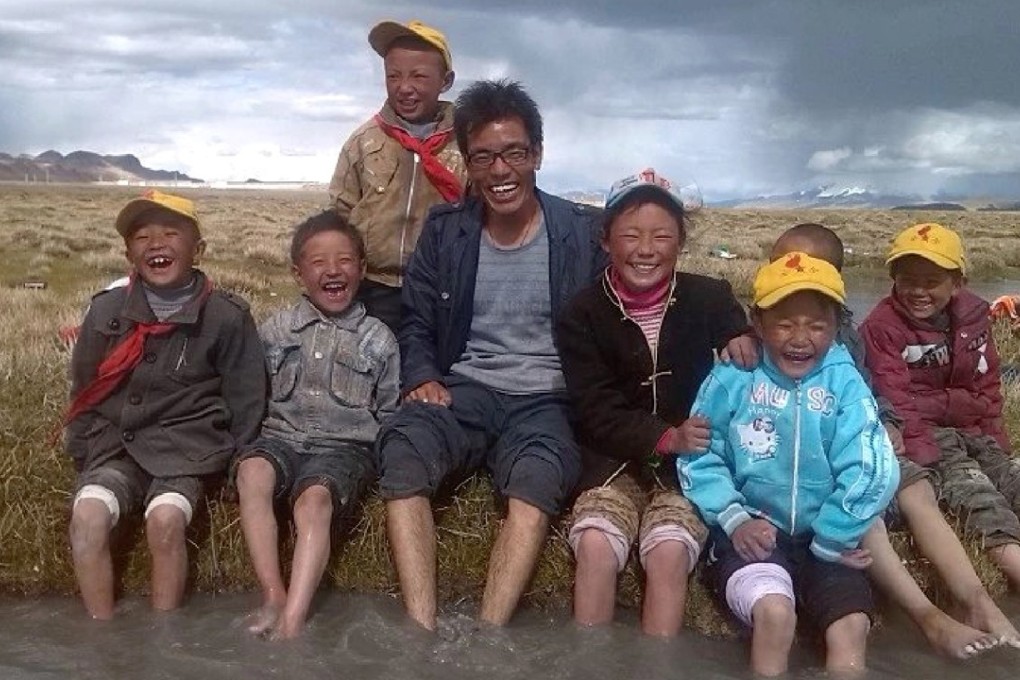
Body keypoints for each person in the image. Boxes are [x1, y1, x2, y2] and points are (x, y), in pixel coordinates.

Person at [376, 78, 606, 630]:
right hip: (466, 389)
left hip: (548, 398)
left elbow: (634, 301)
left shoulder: (580, 232)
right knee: (404, 447)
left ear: (537, 155)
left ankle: (488, 637)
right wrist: (425, 375)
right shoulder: (447, 230)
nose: (500, 171)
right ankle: (420, 632)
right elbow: (418, 318)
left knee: (537, 478)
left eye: (514, 153)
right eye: (483, 157)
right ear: (468, 164)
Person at [771, 223, 1011, 657]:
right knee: (872, 507)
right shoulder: (766, 336)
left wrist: (887, 420)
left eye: (812, 270)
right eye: (786, 267)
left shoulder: (841, 335)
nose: (798, 278)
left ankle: (976, 599)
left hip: (863, 443)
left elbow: (868, 388)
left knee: (916, 486)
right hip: (816, 465)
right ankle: (931, 618)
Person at [679, 252, 900, 676]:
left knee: (851, 628)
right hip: (751, 535)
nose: (801, 338)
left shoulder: (845, 381)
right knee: (776, 614)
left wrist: (833, 537)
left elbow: (873, 466)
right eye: (784, 324)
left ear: (837, 327)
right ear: (757, 324)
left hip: (826, 541)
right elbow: (699, 454)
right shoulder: (733, 376)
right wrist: (734, 519)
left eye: (817, 326)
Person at [557, 168, 755, 636]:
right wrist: (665, 436)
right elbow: (595, 408)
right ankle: (590, 660)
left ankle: (657, 661)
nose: (646, 250)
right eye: (630, 235)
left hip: (689, 472)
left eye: (662, 235)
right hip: (611, 463)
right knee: (596, 545)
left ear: (680, 242)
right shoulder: (580, 312)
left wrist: (740, 335)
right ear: (605, 240)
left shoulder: (710, 297)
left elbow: (737, 326)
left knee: (668, 550)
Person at [64, 190, 266, 619]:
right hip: (115, 445)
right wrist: (83, 451)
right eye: (142, 236)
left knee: (165, 523)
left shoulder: (227, 316)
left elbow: (247, 398)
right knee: (87, 519)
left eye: (171, 233)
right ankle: (102, 640)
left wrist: (237, 466)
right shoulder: (106, 311)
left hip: (186, 450)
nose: (156, 243)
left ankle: (163, 639)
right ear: (128, 254)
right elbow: (83, 386)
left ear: (199, 250)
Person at [233, 210, 400, 640]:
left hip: (344, 448)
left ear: (361, 270)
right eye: (318, 261)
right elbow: (254, 394)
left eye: (345, 260)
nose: (332, 270)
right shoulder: (275, 330)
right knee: (252, 472)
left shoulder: (378, 338)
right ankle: (272, 594)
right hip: (281, 438)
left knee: (313, 502)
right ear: (297, 273)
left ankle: (292, 621)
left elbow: (389, 411)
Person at [861, 223, 1020, 599]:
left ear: (957, 282)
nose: (918, 291)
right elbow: (895, 398)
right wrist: (929, 461)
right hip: (931, 435)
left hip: (974, 428)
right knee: (979, 500)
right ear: (893, 279)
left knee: (1011, 480)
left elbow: (987, 383)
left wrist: (998, 444)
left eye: (931, 281)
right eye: (907, 280)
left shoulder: (974, 318)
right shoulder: (881, 328)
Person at [328, 19, 467, 331]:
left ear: (446, 81)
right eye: (393, 76)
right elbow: (340, 213)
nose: (404, 87)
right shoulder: (364, 141)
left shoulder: (467, 143)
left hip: (440, 287)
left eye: (419, 76)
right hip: (373, 287)